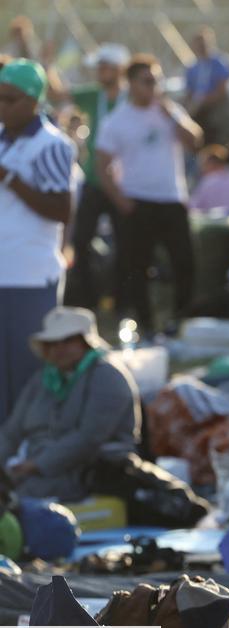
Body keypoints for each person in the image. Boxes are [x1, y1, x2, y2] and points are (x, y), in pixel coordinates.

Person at [96, 54, 203, 334]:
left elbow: (195, 142)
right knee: (137, 268)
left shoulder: (169, 110)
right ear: (130, 83)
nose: (153, 86)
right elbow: (101, 165)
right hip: (138, 202)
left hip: (172, 198)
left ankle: (180, 319)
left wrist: (172, 116)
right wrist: (121, 201)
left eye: (156, 80)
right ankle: (146, 324)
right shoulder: (117, 120)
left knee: (184, 263)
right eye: (147, 81)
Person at [0, 59, 76, 423]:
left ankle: (27, 451)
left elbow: (61, 209)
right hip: (3, 272)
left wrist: (10, 179)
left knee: (27, 375)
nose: (2, 107)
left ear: (33, 100)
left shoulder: (51, 145)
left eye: (10, 99)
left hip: (28, 277)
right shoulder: (2, 139)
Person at [0, 306, 140, 502]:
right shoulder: (42, 379)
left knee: (16, 501)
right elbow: (12, 431)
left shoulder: (107, 377)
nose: (58, 349)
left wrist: (36, 464)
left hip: (89, 472)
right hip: (33, 469)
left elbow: (88, 439)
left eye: (67, 341)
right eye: (52, 343)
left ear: (85, 342)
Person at [65, 43, 129, 313]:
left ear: (118, 70)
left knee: (126, 245)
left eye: (105, 67)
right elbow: (59, 92)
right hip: (95, 180)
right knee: (81, 241)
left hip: (125, 185)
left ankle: (121, 301)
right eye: (100, 67)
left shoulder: (131, 97)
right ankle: (88, 301)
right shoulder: (94, 95)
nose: (101, 72)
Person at [184, 27, 229, 146]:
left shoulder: (219, 62)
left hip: (215, 107)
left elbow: (222, 91)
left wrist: (203, 101)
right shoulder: (192, 67)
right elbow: (189, 92)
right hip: (197, 108)